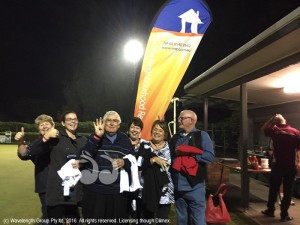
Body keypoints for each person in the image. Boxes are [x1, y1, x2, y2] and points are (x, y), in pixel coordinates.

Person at [28, 111, 87, 225]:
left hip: (75, 192)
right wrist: (46, 137)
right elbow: (32, 151)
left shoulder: (83, 140)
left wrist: (82, 162)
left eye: (75, 119)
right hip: (56, 193)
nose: (72, 121)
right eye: (69, 119)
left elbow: (90, 158)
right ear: (63, 123)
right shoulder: (56, 137)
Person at [79, 111, 135, 224]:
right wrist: (96, 137)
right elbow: (83, 158)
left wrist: (124, 162)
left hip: (117, 193)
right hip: (95, 192)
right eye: (108, 120)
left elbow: (133, 161)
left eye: (115, 121)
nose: (111, 123)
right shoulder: (93, 136)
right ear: (104, 123)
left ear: (119, 124)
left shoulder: (125, 140)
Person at [169, 110, 215, 225]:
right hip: (178, 186)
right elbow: (169, 157)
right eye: (179, 118)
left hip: (195, 186)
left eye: (182, 118)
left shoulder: (202, 135)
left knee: (198, 220)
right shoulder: (175, 138)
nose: (179, 120)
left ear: (192, 120)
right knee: (182, 220)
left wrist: (191, 155)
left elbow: (210, 156)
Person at [15, 114, 54, 225]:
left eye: (47, 123)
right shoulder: (36, 143)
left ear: (53, 125)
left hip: (62, 184)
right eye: (41, 125)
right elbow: (24, 154)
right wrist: (21, 142)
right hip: (44, 185)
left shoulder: (59, 140)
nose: (44, 126)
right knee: (47, 216)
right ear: (38, 128)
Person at [261, 113, 300, 222]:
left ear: (275, 123)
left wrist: (270, 119)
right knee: (288, 191)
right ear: (285, 121)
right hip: (291, 166)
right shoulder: (296, 132)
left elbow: (264, 129)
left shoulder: (274, 130)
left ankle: (270, 210)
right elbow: (299, 149)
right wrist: (299, 162)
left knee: (273, 188)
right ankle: (284, 215)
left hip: (277, 165)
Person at [136, 120, 174, 224]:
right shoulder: (144, 145)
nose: (157, 132)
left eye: (160, 130)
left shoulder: (170, 147)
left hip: (165, 193)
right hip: (147, 190)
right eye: (155, 129)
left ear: (165, 134)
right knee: (145, 221)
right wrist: (153, 160)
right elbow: (139, 165)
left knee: (162, 221)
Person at [127, 117, 145, 220]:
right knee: (125, 212)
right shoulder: (123, 143)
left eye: (137, 128)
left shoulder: (145, 144)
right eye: (132, 127)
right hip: (125, 183)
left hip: (141, 184)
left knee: (139, 213)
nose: (134, 130)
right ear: (128, 129)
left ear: (140, 130)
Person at [268, 139, 295, 206]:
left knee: (279, 183)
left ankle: (273, 206)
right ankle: (281, 200)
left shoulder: (275, 135)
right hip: (285, 163)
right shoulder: (275, 136)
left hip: (283, 163)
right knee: (283, 183)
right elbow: (270, 150)